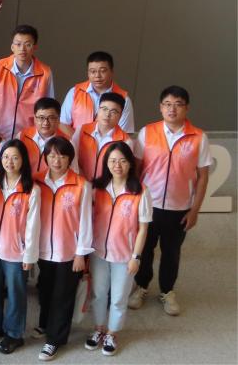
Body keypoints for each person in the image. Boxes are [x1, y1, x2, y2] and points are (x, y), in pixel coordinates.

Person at [128, 86, 211, 317]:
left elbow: (203, 176)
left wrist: (195, 210)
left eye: (178, 104)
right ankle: (141, 286)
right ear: (160, 107)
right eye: (167, 104)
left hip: (179, 208)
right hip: (149, 206)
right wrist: (135, 203)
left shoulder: (199, 137)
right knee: (144, 250)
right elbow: (136, 169)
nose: (172, 109)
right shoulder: (147, 132)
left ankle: (167, 291)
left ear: (187, 108)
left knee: (171, 253)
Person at [89, 142, 150, 357]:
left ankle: (112, 333)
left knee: (118, 297)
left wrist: (136, 257)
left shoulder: (140, 191)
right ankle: (99, 328)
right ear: (106, 163)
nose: (117, 165)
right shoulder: (97, 188)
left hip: (125, 256)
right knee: (98, 294)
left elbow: (143, 228)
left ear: (130, 164)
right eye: (113, 161)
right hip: (98, 252)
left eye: (123, 161)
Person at [0, 139, 40, 355]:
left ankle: (14, 334)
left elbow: (33, 225)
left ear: (23, 160)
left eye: (15, 157)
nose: (9, 162)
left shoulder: (31, 189)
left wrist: (29, 255)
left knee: (16, 293)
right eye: (5, 157)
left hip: (16, 251)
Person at [35, 136, 93, 361]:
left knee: (63, 295)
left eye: (62, 156)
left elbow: (86, 221)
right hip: (42, 249)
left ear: (70, 158)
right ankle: (45, 324)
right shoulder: (37, 181)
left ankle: (55, 339)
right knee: (45, 289)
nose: (56, 161)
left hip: (68, 251)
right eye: (51, 155)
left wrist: (81, 254)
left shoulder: (81, 185)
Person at [0, 25, 54, 139]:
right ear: (12, 47)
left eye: (28, 44)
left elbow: (47, 106)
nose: (22, 49)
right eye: (18, 44)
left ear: (35, 47)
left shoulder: (45, 73)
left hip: (28, 134)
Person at [60, 51, 134, 134]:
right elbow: (63, 123)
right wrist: (77, 140)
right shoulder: (74, 92)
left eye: (102, 71)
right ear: (88, 73)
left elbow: (125, 133)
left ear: (112, 72)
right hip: (74, 141)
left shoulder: (124, 99)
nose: (97, 76)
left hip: (108, 142)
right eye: (93, 71)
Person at [72, 93, 132, 182]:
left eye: (113, 112)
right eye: (104, 109)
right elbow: (72, 158)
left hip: (106, 188)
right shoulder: (82, 130)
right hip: (80, 183)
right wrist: (83, 182)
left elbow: (122, 172)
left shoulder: (125, 141)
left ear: (120, 116)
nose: (107, 114)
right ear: (98, 110)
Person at [18, 97, 70, 178]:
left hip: (51, 185)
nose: (46, 123)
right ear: (34, 118)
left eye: (51, 118)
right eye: (41, 118)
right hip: (25, 183)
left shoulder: (67, 142)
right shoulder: (22, 136)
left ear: (58, 119)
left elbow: (72, 172)